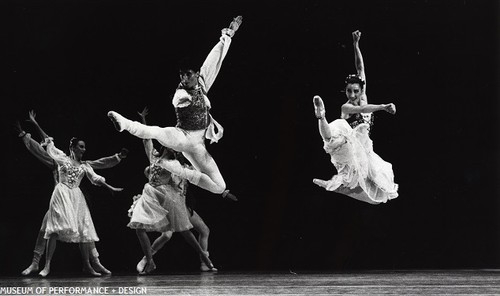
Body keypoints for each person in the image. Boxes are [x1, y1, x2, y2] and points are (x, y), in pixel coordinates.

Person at [107, 16, 242, 200]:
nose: (184, 79)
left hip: (198, 145)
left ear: (196, 74)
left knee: (220, 187)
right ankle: (123, 123)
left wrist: (228, 35)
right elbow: (177, 100)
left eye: (188, 75)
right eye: (181, 75)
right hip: (182, 136)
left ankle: (176, 168)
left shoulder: (201, 82)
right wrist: (184, 100)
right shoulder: (181, 93)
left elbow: (214, 61)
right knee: (155, 132)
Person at [15, 117, 128, 276]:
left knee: (84, 228)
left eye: (84, 147)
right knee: (46, 229)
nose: (83, 149)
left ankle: (93, 263)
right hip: (60, 198)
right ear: (72, 147)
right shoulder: (59, 159)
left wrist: (116, 162)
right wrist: (32, 127)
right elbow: (46, 144)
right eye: (80, 147)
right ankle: (37, 263)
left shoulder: (84, 165)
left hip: (75, 199)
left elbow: (100, 166)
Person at [127, 108, 216, 274]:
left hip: (173, 200)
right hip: (153, 197)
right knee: (151, 231)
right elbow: (146, 140)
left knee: (188, 232)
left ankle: (205, 259)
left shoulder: (177, 166)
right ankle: (149, 260)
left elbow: (196, 175)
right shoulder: (154, 156)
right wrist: (143, 121)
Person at [312, 95, 398, 204]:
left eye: (356, 91)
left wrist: (384, 106)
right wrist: (383, 107)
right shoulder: (346, 107)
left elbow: (363, 92)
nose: (352, 95)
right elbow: (362, 109)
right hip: (347, 140)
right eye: (349, 91)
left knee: (379, 195)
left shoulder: (364, 102)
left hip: (364, 150)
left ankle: (339, 185)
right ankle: (321, 117)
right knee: (331, 141)